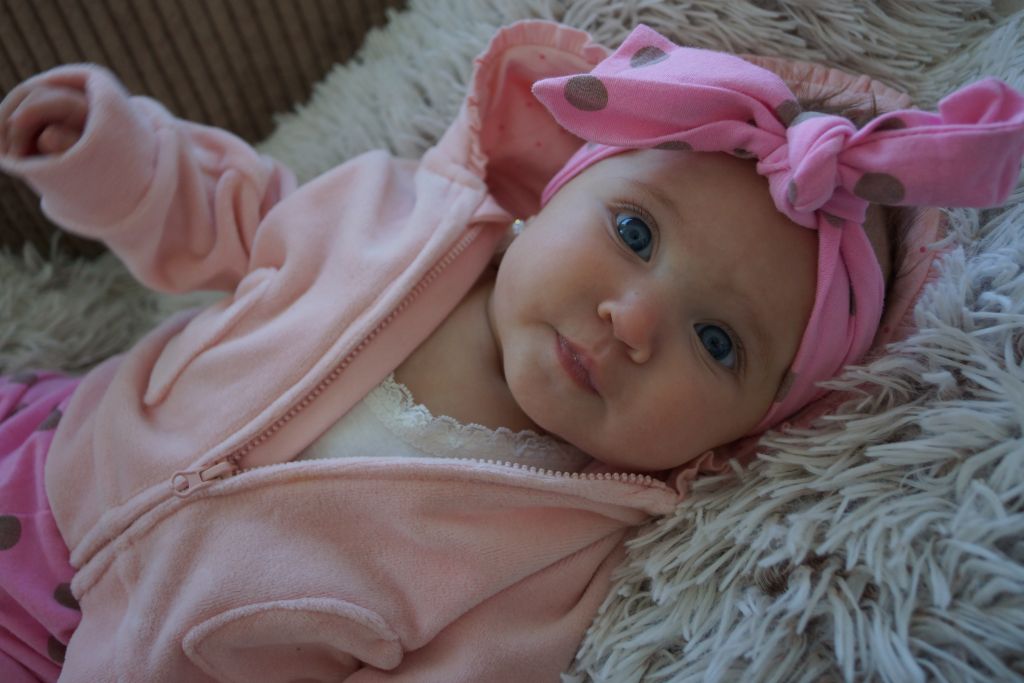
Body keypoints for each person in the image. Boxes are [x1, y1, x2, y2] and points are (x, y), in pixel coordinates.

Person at [0, 20, 1022, 683]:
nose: (631, 318)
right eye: (634, 232)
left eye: (717, 341)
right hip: (46, 438)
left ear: (753, 428)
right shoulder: (398, 220)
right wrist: (115, 158)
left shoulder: (556, 556)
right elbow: (229, 215)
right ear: (556, 191)